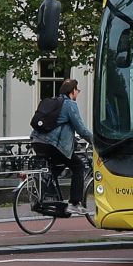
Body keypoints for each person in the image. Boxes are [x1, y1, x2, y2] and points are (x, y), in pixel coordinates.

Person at [30, 78, 92, 216]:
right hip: (53, 145)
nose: (78, 93)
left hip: (37, 142)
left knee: (55, 168)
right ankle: (74, 204)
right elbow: (81, 129)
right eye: (77, 91)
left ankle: (46, 198)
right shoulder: (70, 105)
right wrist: (95, 140)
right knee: (78, 166)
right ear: (72, 91)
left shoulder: (53, 102)